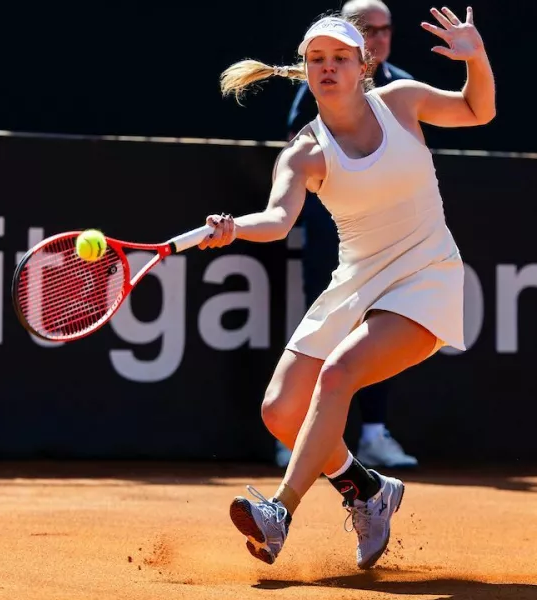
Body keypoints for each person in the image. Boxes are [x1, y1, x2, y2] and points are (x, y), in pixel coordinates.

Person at [202, 6, 495, 569]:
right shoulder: (305, 151)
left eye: (340, 59)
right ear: (306, 70)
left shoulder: (404, 101)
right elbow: (278, 220)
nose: (328, 69)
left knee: (337, 375)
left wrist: (475, 57)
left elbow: (478, 110)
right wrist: (235, 228)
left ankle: (280, 510)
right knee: (281, 410)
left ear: (364, 66)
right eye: (317, 61)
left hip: (425, 273)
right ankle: (368, 490)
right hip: (357, 279)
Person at [277, 0, 419, 471]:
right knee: (324, 339)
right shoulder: (318, 90)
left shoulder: (400, 89)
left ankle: (374, 434)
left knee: (373, 338)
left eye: (384, 28)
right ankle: (297, 433)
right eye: (366, 29)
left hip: (390, 242)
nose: (377, 37)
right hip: (331, 236)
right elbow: (303, 155)